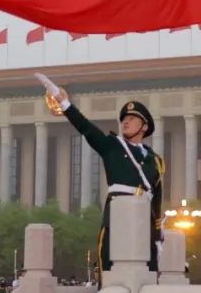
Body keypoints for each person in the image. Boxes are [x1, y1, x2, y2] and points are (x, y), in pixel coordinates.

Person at [43, 81, 164, 281]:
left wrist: (157, 235)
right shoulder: (112, 147)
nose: (125, 122)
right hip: (117, 216)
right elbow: (86, 128)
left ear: (145, 126)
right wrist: (65, 104)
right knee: (108, 267)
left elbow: (157, 203)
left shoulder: (155, 161)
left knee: (148, 273)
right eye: (123, 119)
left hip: (144, 221)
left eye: (132, 119)